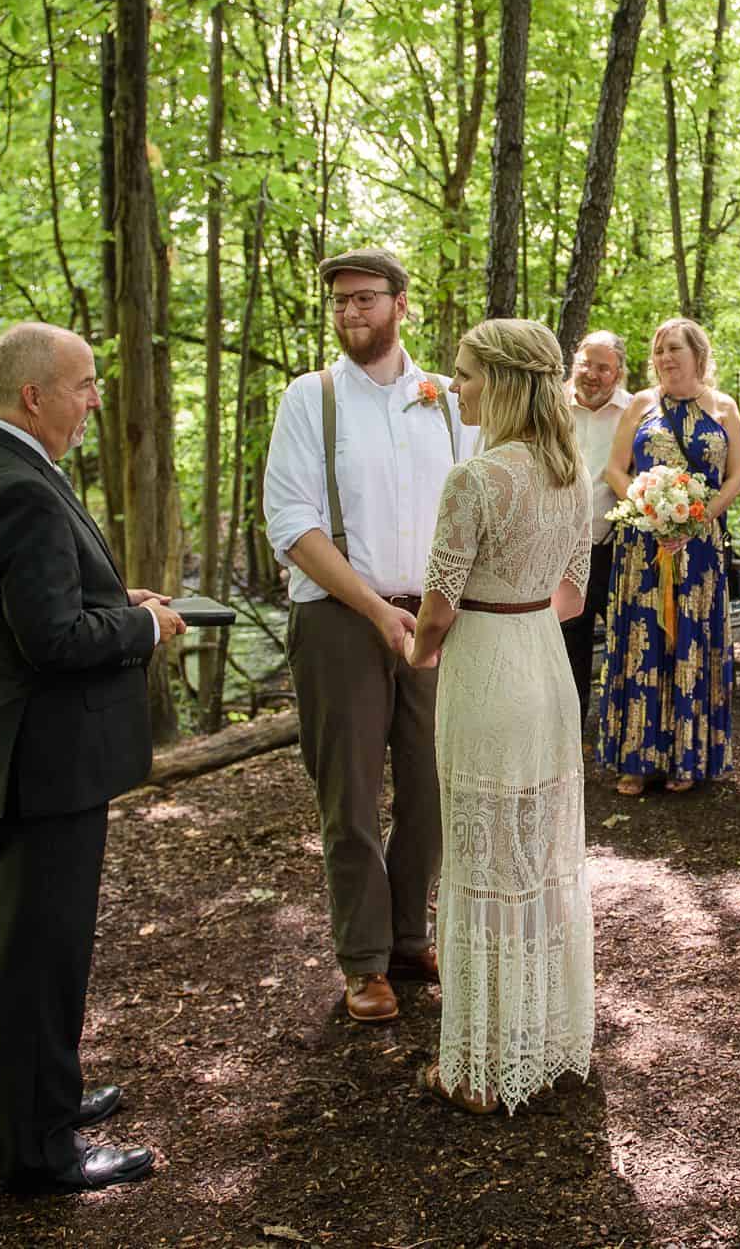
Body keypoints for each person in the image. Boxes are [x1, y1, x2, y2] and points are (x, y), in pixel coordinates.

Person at [0, 321, 188, 1194]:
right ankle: (40, 1148)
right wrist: (145, 625)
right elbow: (49, 639)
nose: (93, 401)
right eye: (83, 386)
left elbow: (37, 598)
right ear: (34, 395)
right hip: (47, 756)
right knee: (40, 956)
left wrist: (114, 596)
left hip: (21, 748)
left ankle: (27, 1099)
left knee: (10, 946)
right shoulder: (20, 488)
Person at [262, 247, 476, 1025]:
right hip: (337, 621)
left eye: (366, 299)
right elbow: (292, 523)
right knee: (348, 795)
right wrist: (374, 609)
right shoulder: (307, 400)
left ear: (400, 304)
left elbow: (476, 509)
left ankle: (409, 933)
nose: (352, 313)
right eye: (341, 302)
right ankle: (362, 958)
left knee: (432, 785)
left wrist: (446, 609)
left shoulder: (451, 400)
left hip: (436, 617)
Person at [405, 318, 596, 1115]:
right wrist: (522, 619)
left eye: (468, 374)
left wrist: (416, 653)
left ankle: (478, 1067)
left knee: (482, 860)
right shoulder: (571, 472)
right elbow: (574, 596)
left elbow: (439, 608)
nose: (458, 386)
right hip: (545, 666)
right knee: (536, 855)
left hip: (485, 668)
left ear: (508, 383)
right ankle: (541, 1043)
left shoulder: (475, 478)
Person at [596, 318, 740, 795]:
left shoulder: (724, 409)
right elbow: (615, 470)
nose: (664, 358)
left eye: (674, 349)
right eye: (659, 350)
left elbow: (736, 477)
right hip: (644, 547)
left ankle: (688, 756)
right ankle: (635, 760)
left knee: (690, 642)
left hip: (699, 549)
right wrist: (648, 507)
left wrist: (698, 519)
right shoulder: (641, 404)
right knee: (642, 645)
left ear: (698, 354)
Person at [560, 330, 634, 723]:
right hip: (562, 550)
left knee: (625, 639)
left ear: (618, 372)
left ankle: (622, 730)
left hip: (614, 548)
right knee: (568, 642)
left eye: (603, 368)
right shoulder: (552, 405)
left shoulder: (635, 412)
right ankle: (570, 730)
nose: (592, 374)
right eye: (586, 364)